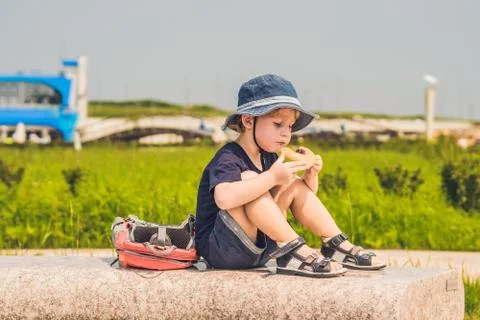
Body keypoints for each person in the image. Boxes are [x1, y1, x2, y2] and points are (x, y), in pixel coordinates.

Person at [195, 74, 385, 277]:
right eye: (278, 124)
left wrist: (310, 178)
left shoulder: (269, 157)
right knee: (251, 178)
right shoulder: (229, 156)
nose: (286, 133)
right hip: (224, 249)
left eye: (290, 127)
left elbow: (295, 204)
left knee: (292, 184)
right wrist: (271, 178)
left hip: (263, 247)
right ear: (249, 120)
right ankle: (294, 250)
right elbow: (224, 199)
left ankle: (334, 243)